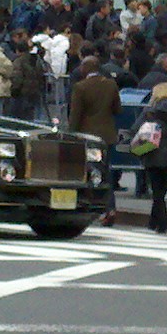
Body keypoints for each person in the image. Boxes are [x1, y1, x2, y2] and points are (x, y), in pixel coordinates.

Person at [68, 56, 120, 223]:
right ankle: (110, 208)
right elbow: (118, 109)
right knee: (106, 172)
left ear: (85, 68)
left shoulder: (80, 87)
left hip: (88, 136)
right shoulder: (111, 84)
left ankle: (91, 206)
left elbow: (75, 115)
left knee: (87, 172)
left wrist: (71, 135)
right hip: (108, 135)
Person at [137, 82, 167, 234]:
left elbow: (135, 128)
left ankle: (163, 223)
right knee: (161, 189)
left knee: (157, 192)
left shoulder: (149, 112)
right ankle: (153, 222)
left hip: (151, 153)